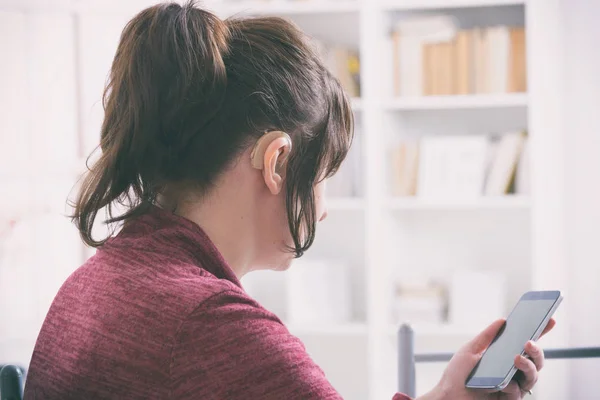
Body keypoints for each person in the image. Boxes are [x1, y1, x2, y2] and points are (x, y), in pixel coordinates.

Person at [24, 2, 554, 399]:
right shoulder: (214, 327)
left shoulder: (98, 280)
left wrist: (445, 396)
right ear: (276, 162)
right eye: (323, 177)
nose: (322, 208)